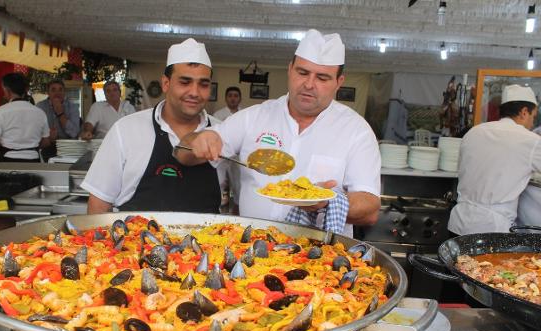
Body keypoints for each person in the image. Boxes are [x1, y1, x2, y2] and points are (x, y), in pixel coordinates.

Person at [174, 29, 381, 236]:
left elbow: (370, 208)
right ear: (290, 70)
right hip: (251, 249)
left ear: (339, 82)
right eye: (302, 72)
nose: (309, 84)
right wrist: (202, 139)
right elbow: (182, 152)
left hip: (321, 259)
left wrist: (325, 202)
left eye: (322, 78)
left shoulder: (356, 130)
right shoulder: (253, 117)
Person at [81, 38, 223, 214]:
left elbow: (241, 201)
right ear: (166, 83)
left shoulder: (224, 133)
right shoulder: (126, 130)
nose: (194, 92)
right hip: (134, 239)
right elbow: (99, 204)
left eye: (203, 84)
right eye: (185, 82)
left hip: (208, 240)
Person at [448, 84, 541, 235]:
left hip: (459, 223)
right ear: (524, 112)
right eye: (533, 117)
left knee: (456, 259)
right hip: (491, 229)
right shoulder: (530, 141)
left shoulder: (474, 132)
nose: (532, 123)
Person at [0, 72, 51, 162]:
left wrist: (5, 146)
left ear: (7, 90)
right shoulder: (40, 112)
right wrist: (29, 147)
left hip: (8, 160)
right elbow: (46, 141)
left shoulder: (1, 112)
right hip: (33, 161)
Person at [36, 79, 81, 161]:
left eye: (60, 89)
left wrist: (60, 113)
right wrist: (48, 138)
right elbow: (35, 134)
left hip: (68, 149)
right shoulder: (40, 107)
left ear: (64, 92)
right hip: (45, 148)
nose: (57, 93)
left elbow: (74, 133)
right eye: (53, 90)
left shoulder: (73, 107)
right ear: (48, 93)